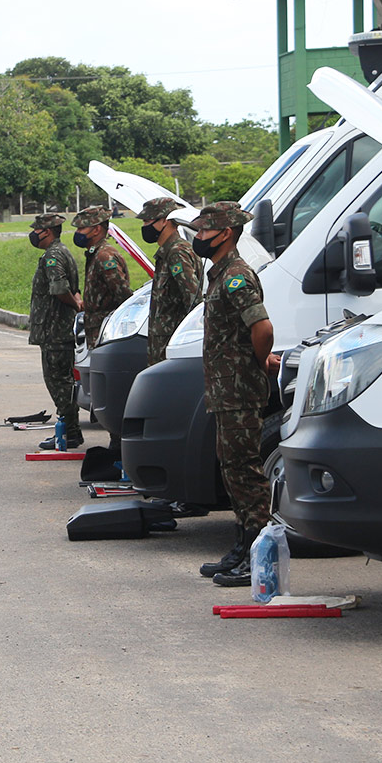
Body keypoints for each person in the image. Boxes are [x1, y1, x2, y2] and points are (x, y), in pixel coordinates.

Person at [190, 202, 279, 587]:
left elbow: (263, 328)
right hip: (226, 391)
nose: (198, 238)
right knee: (232, 471)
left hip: (240, 390)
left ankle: (260, 556)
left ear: (225, 233)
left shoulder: (236, 276)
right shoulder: (220, 274)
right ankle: (244, 547)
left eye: (203, 231)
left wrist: (258, 363)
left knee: (246, 473)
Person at [27, 213, 83, 450]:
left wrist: (74, 304)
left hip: (54, 330)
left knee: (58, 382)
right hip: (57, 329)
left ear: (47, 231)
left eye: (37, 230)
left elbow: (60, 288)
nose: (33, 234)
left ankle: (69, 432)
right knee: (63, 381)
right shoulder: (63, 252)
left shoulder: (53, 256)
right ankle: (71, 430)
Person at [139, 197, 203, 366]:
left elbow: (194, 301)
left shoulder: (176, 253)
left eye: (148, 221)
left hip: (172, 346)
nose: (144, 227)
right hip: (163, 347)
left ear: (165, 221)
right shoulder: (167, 252)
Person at [73, 206, 130, 349]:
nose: (78, 233)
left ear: (96, 230)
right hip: (96, 329)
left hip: (105, 331)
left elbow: (122, 294)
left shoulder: (105, 256)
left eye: (82, 229)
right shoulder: (95, 254)